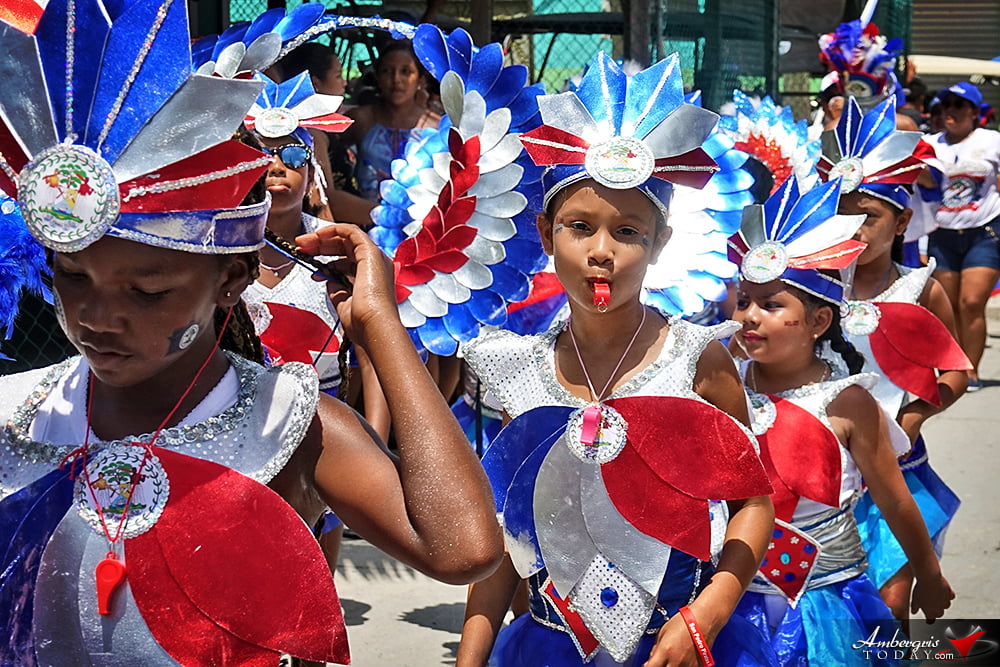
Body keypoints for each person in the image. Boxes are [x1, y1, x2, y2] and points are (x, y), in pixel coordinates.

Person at [0, 1, 502, 663]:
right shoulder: (20, 416)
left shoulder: (288, 423)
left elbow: (464, 547)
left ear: (231, 279)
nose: (98, 315)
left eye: (147, 290)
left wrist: (381, 325)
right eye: (73, 277)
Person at [455, 53, 777, 667]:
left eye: (628, 232)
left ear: (660, 244)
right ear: (548, 235)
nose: (602, 252)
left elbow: (752, 504)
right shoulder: (514, 372)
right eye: (581, 227)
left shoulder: (695, 361)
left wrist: (707, 614)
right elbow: (508, 534)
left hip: (678, 644)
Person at [728, 175, 955, 666]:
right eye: (744, 300)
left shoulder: (847, 402)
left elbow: (895, 499)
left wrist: (929, 574)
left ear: (818, 321)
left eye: (771, 305)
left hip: (824, 602)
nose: (750, 317)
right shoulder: (724, 384)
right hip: (732, 600)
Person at [817, 95, 969, 628]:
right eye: (844, 212)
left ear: (901, 220)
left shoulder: (919, 290)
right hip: (819, 470)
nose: (856, 227)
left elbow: (956, 369)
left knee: (888, 604)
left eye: (870, 216)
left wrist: (917, 415)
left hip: (897, 471)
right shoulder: (808, 286)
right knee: (825, 610)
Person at [923, 82, 1000, 391]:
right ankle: (952, 368)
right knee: (948, 306)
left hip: (985, 231)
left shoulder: (992, 141)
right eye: (944, 106)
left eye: (957, 105)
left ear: (973, 111)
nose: (949, 112)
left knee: (970, 302)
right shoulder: (931, 145)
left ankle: (971, 370)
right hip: (942, 233)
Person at [276, 42, 378, 227]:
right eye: (338, 76)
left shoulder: (319, 130)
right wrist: (385, 215)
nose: (345, 83)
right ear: (315, 84)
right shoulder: (311, 133)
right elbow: (326, 196)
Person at [345, 39, 441, 201]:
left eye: (406, 71)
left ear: (421, 80)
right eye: (387, 71)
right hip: (360, 220)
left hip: (418, 222)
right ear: (377, 77)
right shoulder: (360, 120)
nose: (396, 79)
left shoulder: (436, 128)